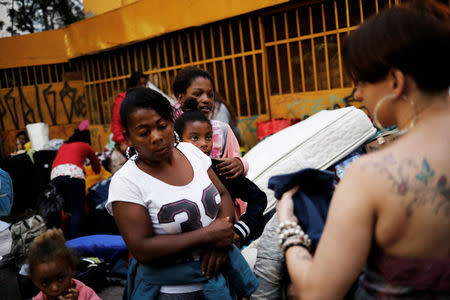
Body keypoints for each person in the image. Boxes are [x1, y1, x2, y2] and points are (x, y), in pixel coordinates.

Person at [276, 1, 450, 299]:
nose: (357, 94)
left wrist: (289, 227)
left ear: (395, 81)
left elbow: (317, 292)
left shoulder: (371, 175)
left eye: (361, 82)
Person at [106, 87, 237, 299]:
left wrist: (220, 242)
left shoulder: (192, 152)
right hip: (171, 292)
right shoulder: (126, 182)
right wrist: (209, 236)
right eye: (144, 132)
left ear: (171, 122)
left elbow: (222, 196)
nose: (156, 137)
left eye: (162, 126)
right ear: (128, 137)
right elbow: (142, 248)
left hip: (218, 281)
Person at [174, 107, 267, 246]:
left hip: (226, 246)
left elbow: (258, 198)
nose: (204, 144)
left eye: (208, 137)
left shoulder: (221, 170)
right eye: (194, 138)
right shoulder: (171, 176)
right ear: (178, 141)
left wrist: (239, 231)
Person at [172, 66, 248, 180]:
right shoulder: (170, 132)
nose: (206, 99)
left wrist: (240, 164)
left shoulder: (223, 130)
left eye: (210, 95)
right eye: (198, 94)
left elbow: (234, 163)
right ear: (181, 98)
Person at [51, 127, 101, 238]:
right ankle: (76, 241)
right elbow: (97, 168)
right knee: (77, 209)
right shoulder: (85, 146)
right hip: (74, 174)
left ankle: (62, 237)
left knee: (62, 209)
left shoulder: (63, 146)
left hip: (55, 175)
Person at [28, 229, 101, 300]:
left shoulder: (86, 293)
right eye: (45, 283)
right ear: (35, 281)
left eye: (60, 278)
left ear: (72, 269)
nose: (55, 288)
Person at [111, 71, 148, 155]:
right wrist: (121, 142)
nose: (143, 87)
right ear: (133, 84)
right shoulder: (122, 98)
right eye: (140, 84)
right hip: (129, 143)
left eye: (144, 84)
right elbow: (116, 122)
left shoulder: (146, 97)